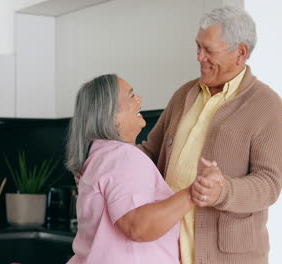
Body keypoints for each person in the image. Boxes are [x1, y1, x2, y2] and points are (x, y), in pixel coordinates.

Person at [139, 6, 282, 264]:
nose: (200, 57)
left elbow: (269, 184)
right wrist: (108, 164)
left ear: (240, 53)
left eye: (209, 50)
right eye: (198, 47)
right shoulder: (184, 95)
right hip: (168, 250)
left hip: (230, 257)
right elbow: (150, 152)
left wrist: (224, 190)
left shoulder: (268, 106)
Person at [65, 74, 192, 264]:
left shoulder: (99, 158)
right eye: (131, 96)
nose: (139, 99)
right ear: (112, 116)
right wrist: (194, 193)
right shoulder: (121, 156)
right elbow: (137, 226)